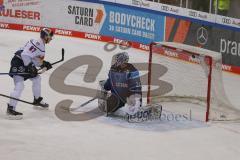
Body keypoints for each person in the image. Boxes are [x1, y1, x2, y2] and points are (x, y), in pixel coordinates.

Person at [98, 52, 162, 122]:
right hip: (117, 96)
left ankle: (148, 109)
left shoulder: (132, 71)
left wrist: (137, 101)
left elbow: (136, 87)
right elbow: (109, 83)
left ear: (124, 60)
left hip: (130, 97)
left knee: (132, 113)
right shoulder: (112, 70)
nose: (116, 61)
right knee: (107, 108)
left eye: (118, 59)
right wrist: (105, 86)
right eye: (116, 60)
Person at [7, 28, 53, 120]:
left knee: (37, 79)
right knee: (19, 86)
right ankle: (11, 108)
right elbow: (25, 55)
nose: (51, 38)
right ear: (45, 36)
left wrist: (44, 64)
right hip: (19, 62)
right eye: (50, 36)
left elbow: (34, 58)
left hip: (24, 62)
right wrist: (30, 67)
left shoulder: (40, 44)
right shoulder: (37, 44)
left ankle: (37, 99)